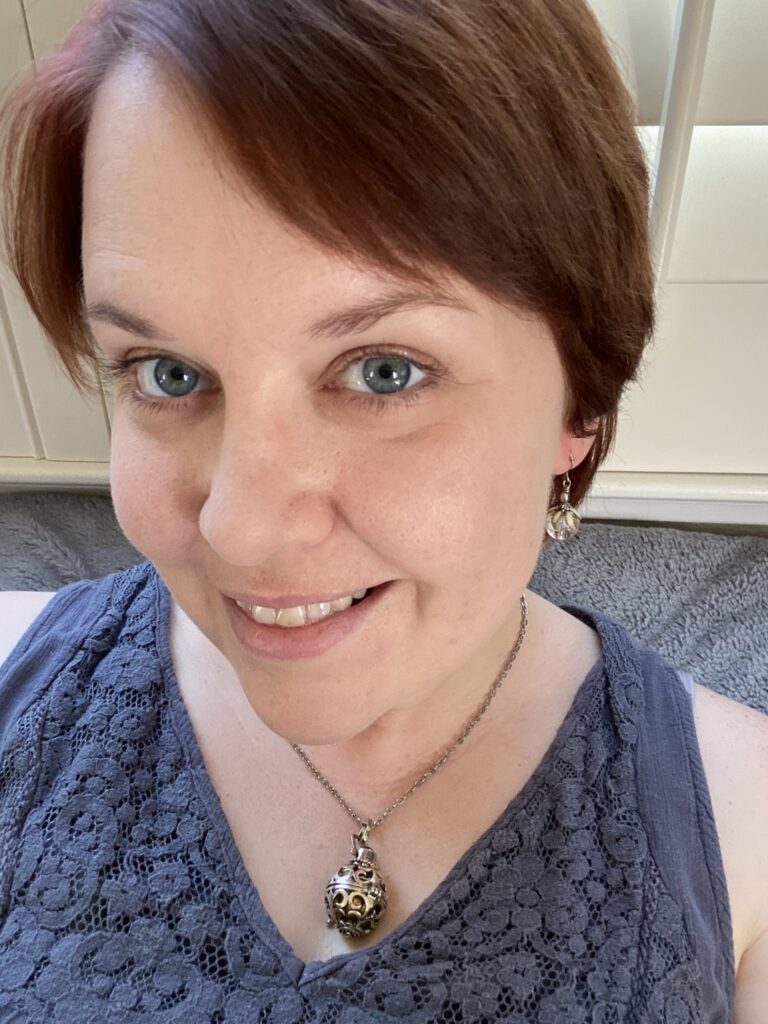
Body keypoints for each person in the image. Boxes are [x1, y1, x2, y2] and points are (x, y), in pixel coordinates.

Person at [0, 0, 765, 1019]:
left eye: (383, 369)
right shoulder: (20, 690)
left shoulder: (744, 834)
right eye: (169, 372)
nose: (240, 526)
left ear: (579, 399)